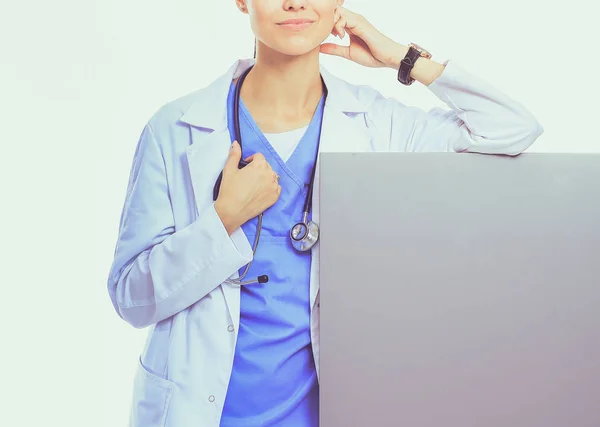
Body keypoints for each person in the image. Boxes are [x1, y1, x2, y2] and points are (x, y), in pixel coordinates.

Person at [106, 1, 544, 426]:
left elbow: (511, 129)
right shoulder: (174, 128)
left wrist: (402, 59)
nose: (296, 4)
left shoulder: (378, 124)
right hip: (199, 412)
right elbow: (130, 297)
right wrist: (222, 222)